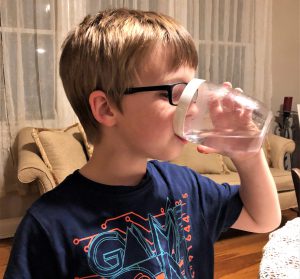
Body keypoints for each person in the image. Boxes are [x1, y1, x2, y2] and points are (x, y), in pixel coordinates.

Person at [4, 8, 281, 279]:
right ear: (107, 108)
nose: (194, 110)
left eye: (193, 94)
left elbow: (263, 219)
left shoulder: (186, 186)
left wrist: (247, 155)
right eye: (177, 93)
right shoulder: (49, 224)